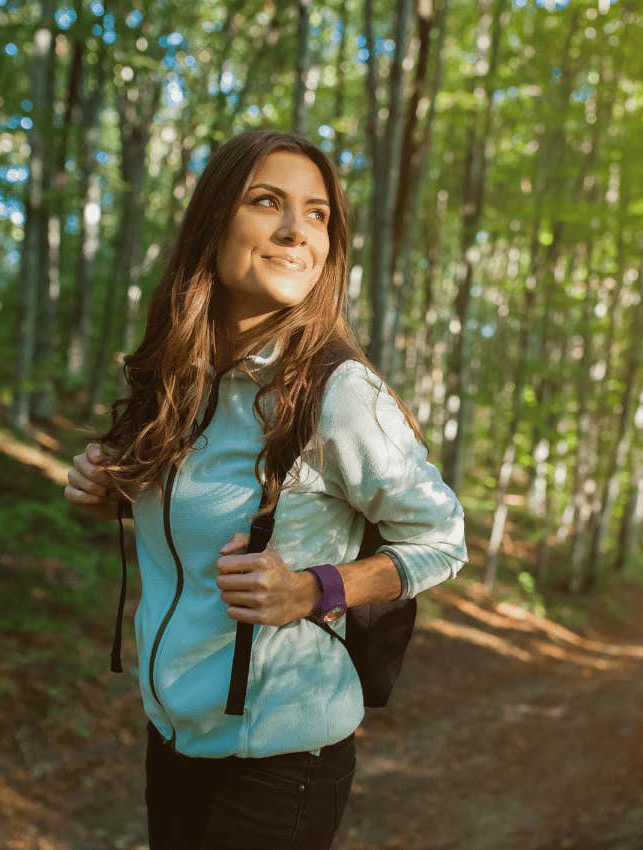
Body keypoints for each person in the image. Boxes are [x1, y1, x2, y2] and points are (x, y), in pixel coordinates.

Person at [64, 129, 468, 850]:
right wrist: (109, 492)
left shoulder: (337, 391)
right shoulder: (180, 379)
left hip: (283, 759)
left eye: (317, 214)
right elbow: (193, 519)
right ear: (214, 222)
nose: (296, 231)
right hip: (175, 739)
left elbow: (442, 539)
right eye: (267, 202)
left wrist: (315, 589)